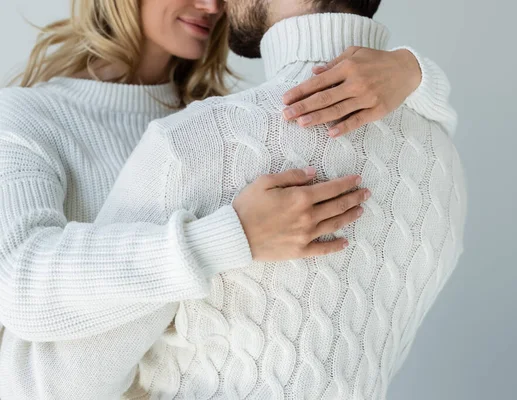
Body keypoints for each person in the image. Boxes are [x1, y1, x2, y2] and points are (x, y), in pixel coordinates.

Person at [0, 0, 456, 398]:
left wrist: (414, 71)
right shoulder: (29, 117)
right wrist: (226, 237)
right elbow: (17, 279)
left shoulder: (215, 131)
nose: (213, 5)